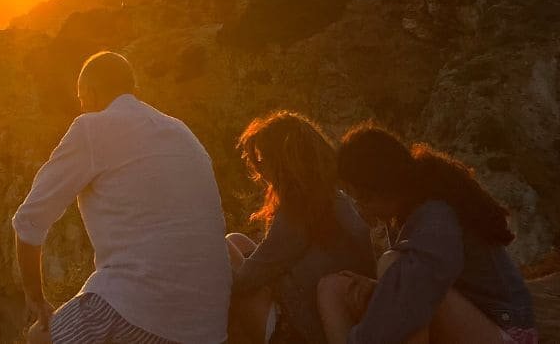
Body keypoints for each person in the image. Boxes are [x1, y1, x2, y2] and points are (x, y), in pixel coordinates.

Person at [12, 51, 231, 344]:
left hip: (144, 312)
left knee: (40, 338)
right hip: (210, 327)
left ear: (88, 93)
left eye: (81, 100)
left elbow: (29, 221)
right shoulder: (182, 131)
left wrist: (36, 298)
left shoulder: (91, 129)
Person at [317, 125, 537, 344]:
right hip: (467, 317)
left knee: (394, 265)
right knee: (334, 287)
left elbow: (416, 294)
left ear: (382, 187)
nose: (362, 209)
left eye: (363, 199)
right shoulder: (407, 210)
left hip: (506, 331)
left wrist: (362, 337)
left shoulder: (436, 213)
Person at [226, 112, 375, 344]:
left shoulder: (298, 211)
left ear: (283, 162)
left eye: (263, 158)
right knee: (238, 241)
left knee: (225, 249)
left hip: (299, 331)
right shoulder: (335, 198)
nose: (260, 169)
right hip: (328, 314)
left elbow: (244, 282)